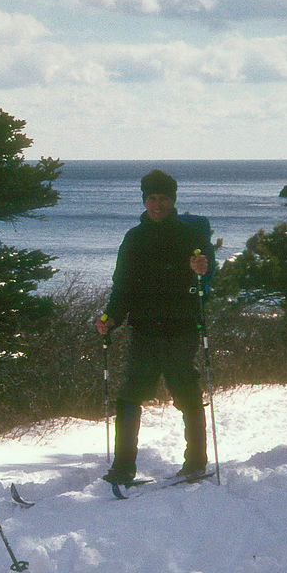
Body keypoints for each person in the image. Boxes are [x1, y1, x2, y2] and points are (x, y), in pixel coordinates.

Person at [95, 168, 215, 485]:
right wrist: (110, 318)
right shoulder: (134, 239)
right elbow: (122, 287)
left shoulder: (193, 238)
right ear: (144, 201)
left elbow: (207, 279)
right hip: (144, 329)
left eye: (162, 198)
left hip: (181, 327)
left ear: (172, 200)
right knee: (130, 395)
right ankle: (122, 468)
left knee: (186, 393)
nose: (157, 204)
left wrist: (201, 270)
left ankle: (196, 462)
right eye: (151, 198)